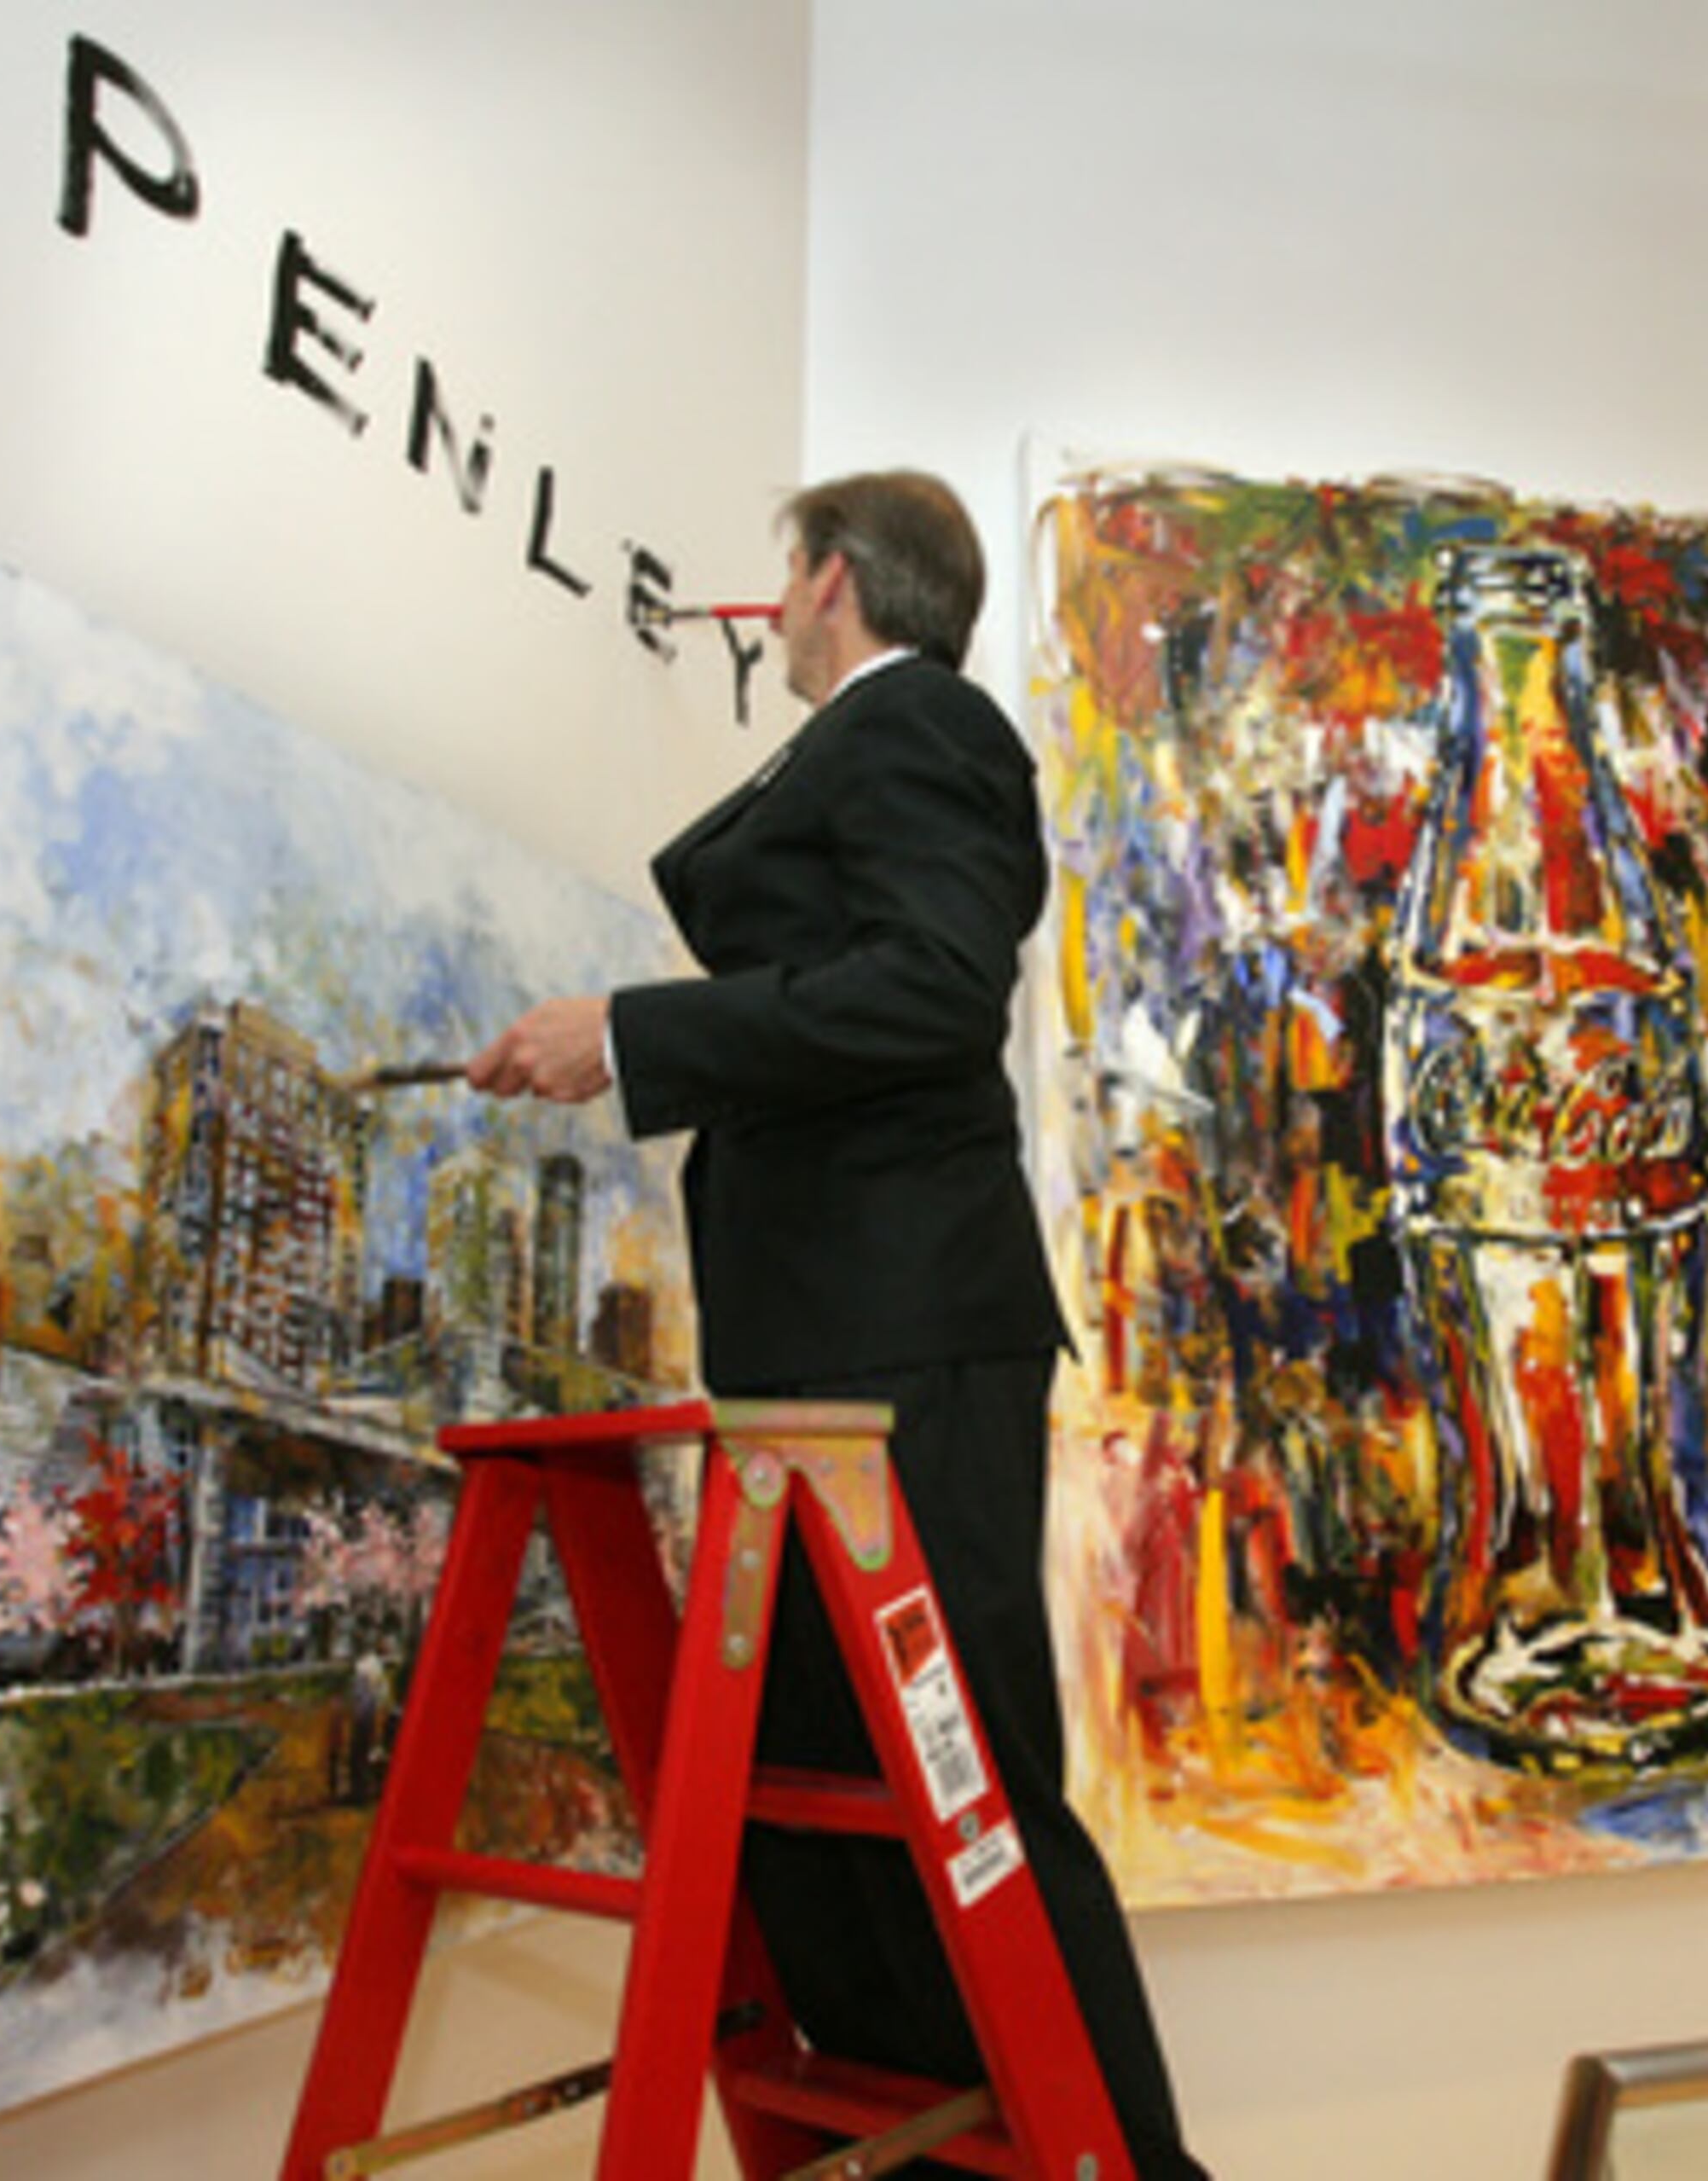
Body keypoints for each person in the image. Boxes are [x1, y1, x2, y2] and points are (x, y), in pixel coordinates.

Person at [466, 469, 1205, 2179]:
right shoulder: (869, 744)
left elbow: (937, 985)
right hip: (830, 1342)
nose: (770, 606)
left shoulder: (919, 724)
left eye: (778, 576)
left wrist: (636, 1037)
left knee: (968, 1781)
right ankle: (944, 2154)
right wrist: (634, 1042)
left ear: (826, 584)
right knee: (831, 1789)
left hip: (901, 1335)